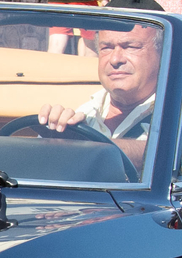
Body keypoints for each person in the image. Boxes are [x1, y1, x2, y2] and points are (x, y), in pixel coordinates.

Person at [36, 23, 165, 176]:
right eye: (107, 48)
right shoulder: (82, 114)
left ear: (163, 55)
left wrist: (84, 147)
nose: (115, 59)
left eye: (131, 47)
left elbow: (180, 156)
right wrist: (49, 143)